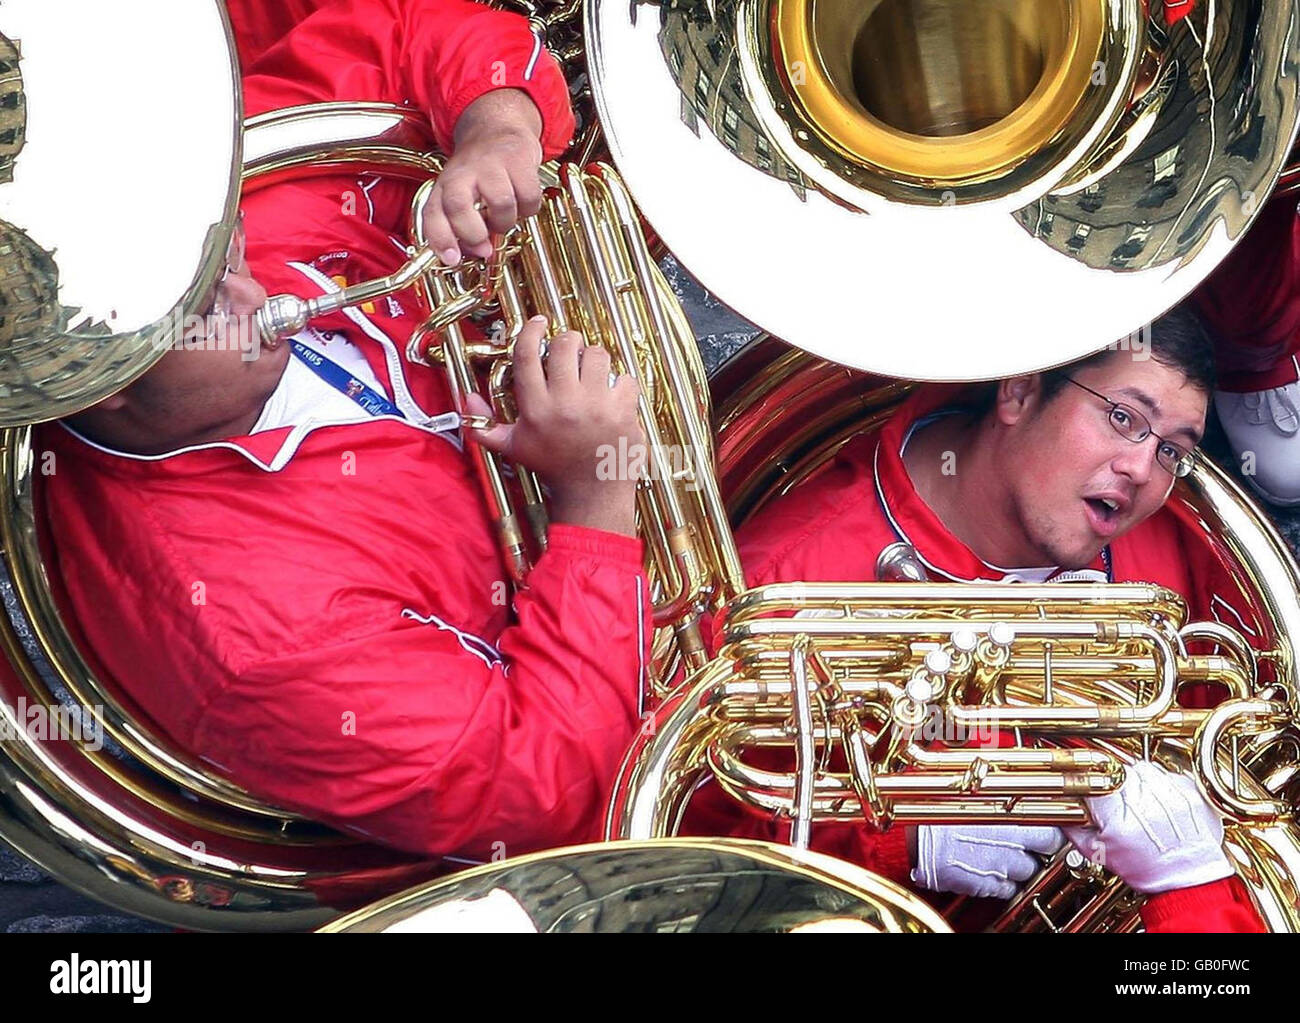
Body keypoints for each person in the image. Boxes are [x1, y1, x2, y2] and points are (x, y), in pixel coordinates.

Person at [35, 0, 652, 868]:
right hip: (649, 707)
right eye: (210, 309)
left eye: (229, 257)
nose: (259, 294)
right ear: (101, 391)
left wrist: (496, 132)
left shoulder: (203, 218)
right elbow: (536, 792)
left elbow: (400, 26)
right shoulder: (265, 642)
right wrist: (595, 500)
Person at [685, 305, 1266, 932]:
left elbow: (1237, 754)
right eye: (1123, 419)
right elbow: (686, 860)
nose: (1141, 471)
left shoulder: (1177, 550)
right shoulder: (782, 583)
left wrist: (1190, 878)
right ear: (1018, 390)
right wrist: (891, 846)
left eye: (1172, 452)